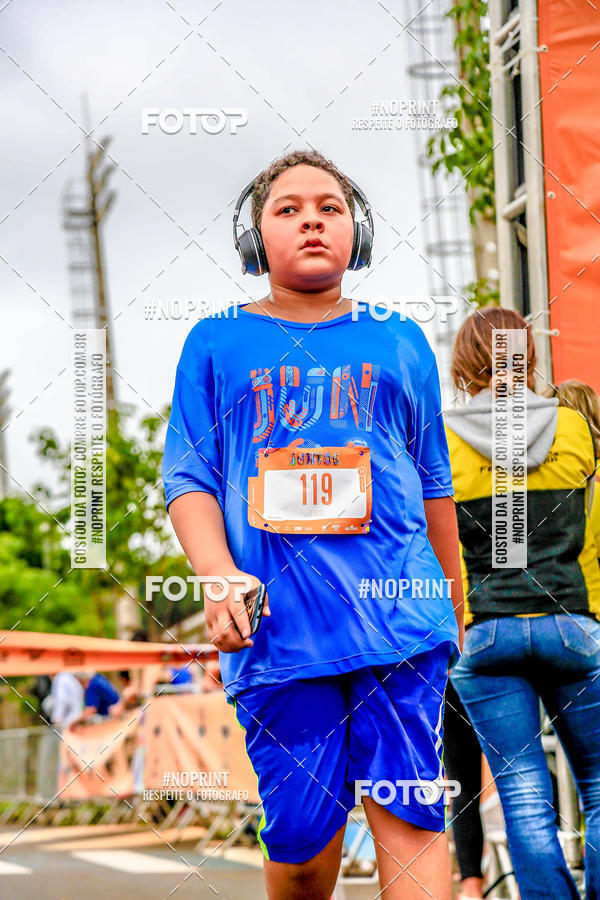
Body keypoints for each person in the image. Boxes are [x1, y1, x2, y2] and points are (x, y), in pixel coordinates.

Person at [163, 149, 464, 900]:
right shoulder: (215, 341)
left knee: (412, 811)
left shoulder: (400, 340)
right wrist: (219, 576)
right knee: (302, 840)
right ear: (255, 238)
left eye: (329, 207)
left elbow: (433, 483)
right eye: (288, 209)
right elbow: (189, 478)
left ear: (354, 231)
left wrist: (455, 597)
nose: (311, 221)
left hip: (399, 617)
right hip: (280, 626)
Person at [445, 306, 600, 900]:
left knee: (522, 794)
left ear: (464, 364)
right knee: (599, 781)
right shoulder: (574, 429)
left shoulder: (442, 439)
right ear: (528, 355)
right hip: (571, 622)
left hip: (484, 634)